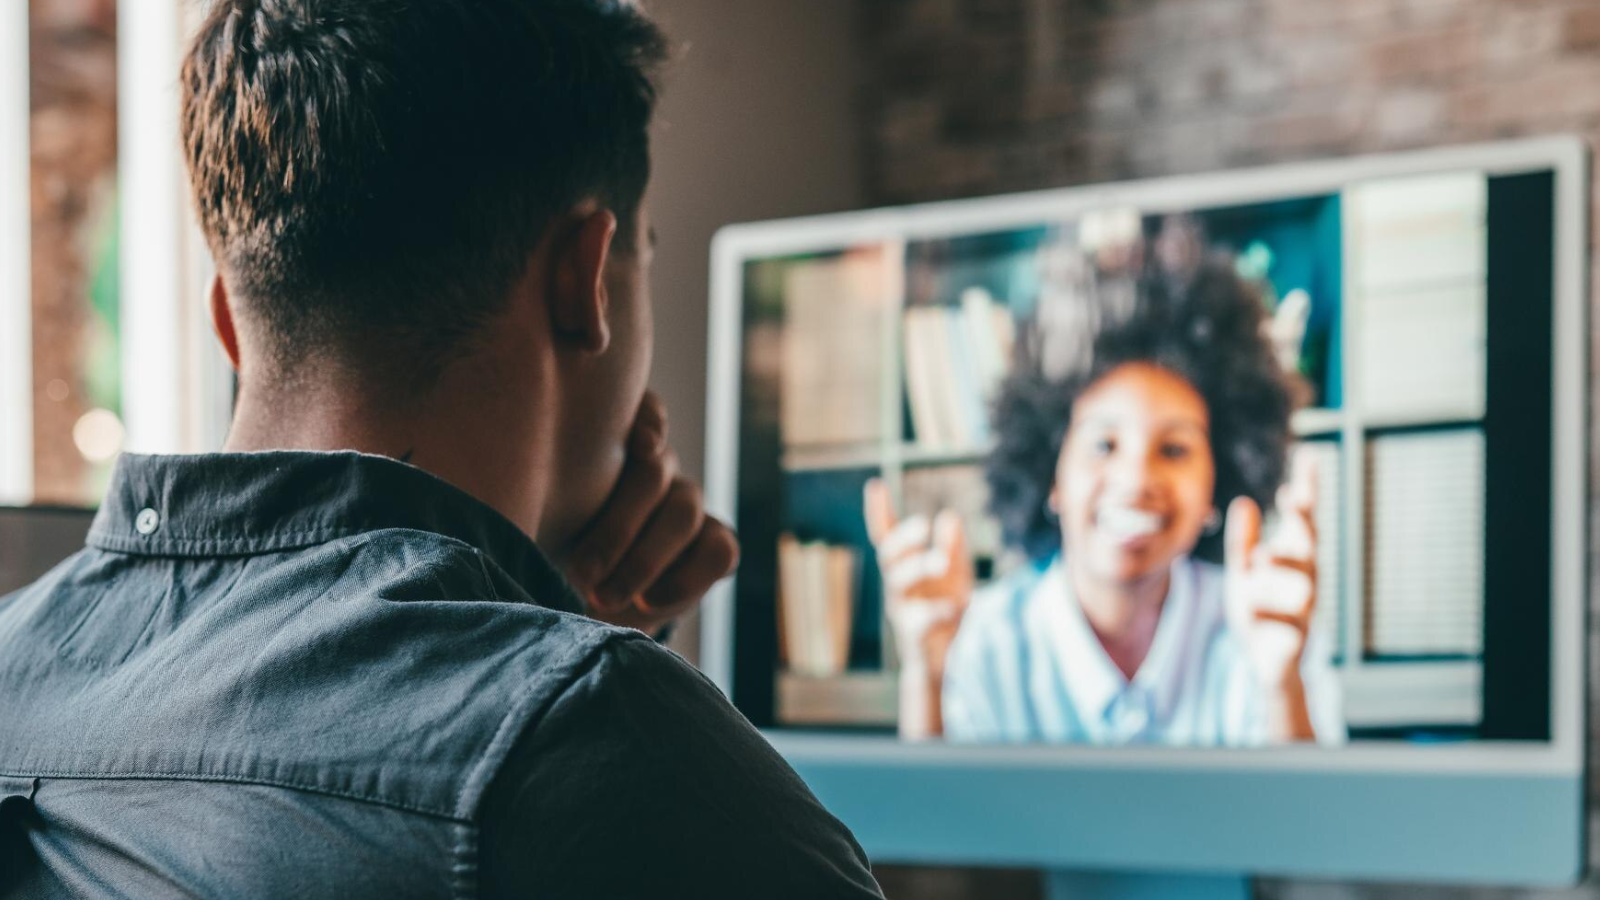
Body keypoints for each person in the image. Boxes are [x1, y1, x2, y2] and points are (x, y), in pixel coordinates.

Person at [0, 2, 884, 897]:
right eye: (641, 256)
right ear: (588, 280)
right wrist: (586, 682)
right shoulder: (600, 736)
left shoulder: (12, 667)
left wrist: (553, 621)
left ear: (229, 320)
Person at [866, 253, 1344, 746]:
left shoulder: (1267, 627)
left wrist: (1280, 684)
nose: (1135, 478)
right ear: (1052, 475)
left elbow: (1311, 822)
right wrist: (925, 675)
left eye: (1174, 449)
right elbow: (930, 820)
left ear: (1214, 490)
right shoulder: (982, 639)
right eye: (1103, 445)